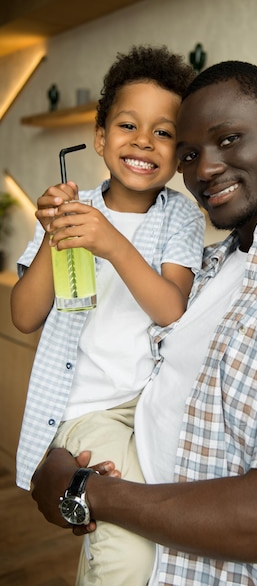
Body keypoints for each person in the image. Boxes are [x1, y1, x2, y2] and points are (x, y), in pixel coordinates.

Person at [31, 61, 257, 585]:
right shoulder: (215, 263)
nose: (205, 170)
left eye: (229, 139)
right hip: (133, 552)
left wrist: (83, 492)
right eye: (191, 154)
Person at [12, 45, 204, 585]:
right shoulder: (70, 212)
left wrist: (113, 243)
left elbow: (172, 311)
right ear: (99, 137)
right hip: (90, 410)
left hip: (150, 412)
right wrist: (57, 235)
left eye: (163, 132)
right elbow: (24, 316)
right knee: (129, 551)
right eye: (127, 124)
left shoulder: (181, 220)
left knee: (113, 540)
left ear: (180, 151)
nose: (143, 141)